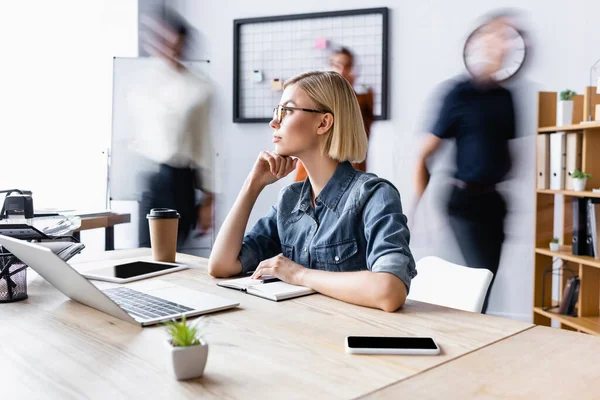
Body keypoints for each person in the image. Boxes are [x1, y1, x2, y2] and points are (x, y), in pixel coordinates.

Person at [209, 71, 415, 312]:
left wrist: (299, 275)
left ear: (324, 122)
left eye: (287, 111)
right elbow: (221, 265)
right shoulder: (290, 200)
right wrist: (251, 186)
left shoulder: (374, 196)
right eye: (278, 112)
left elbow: (390, 291)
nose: (274, 122)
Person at [413, 14, 517, 313]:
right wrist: (417, 209)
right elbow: (424, 154)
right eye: (495, 38)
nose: (502, 46)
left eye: (506, 39)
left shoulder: (506, 97)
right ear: (478, 45)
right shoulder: (458, 94)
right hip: (464, 202)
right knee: (479, 278)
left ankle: (476, 340)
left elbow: (509, 151)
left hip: (495, 202)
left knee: (488, 280)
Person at [130, 7, 214, 250]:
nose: (167, 46)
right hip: (151, 179)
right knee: (145, 253)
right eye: (160, 39)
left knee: (172, 253)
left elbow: (205, 145)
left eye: (172, 40)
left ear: (183, 42)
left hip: (180, 179)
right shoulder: (142, 82)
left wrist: (209, 199)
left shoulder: (199, 88)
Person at [294, 47, 374, 181]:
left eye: (347, 66)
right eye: (337, 65)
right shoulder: (314, 98)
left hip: (349, 173)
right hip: (313, 173)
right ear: (329, 68)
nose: (342, 71)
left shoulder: (361, 101)